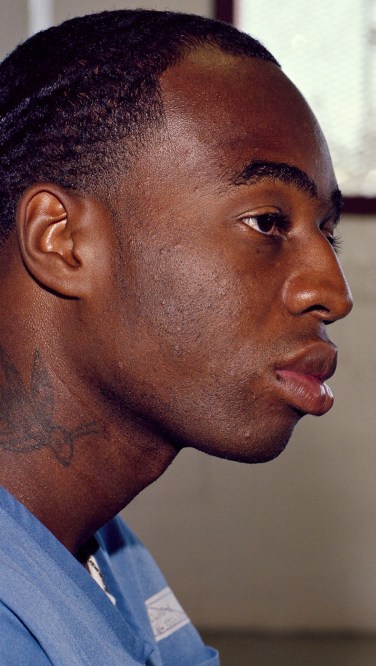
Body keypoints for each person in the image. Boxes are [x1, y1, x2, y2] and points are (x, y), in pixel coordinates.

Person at [0, 9, 352, 664]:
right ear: (62, 241)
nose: (331, 291)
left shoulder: (100, 551)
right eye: (269, 221)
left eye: (328, 232)